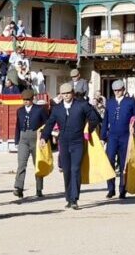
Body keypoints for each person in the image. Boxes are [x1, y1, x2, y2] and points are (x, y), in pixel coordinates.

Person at [42, 81, 100, 210]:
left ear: (73, 93)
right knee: (67, 171)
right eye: (64, 93)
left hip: (77, 142)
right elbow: (50, 124)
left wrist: (88, 129)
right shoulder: (57, 109)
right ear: (61, 95)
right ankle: (68, 198)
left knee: (75, 169)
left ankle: (74, 199)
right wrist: (43, 137)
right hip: (64, 142)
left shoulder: (82, 105)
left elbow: (95, 118)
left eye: (68, 93)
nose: (66, 95)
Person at [102, 80, 135, 200]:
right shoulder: (110, 103)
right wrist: (103, 137)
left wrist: (134, 128)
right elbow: (105, 121)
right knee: (109, 160)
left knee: (123, 163)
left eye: (119, 90)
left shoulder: (130, 102)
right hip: (112, 136)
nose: (117, 92)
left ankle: (122, 189)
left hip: (125, 136)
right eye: (115, 91)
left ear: (123, 90)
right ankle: (110, 189)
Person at [12, 88, 48, 199]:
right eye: (24, 100)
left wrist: (44, 138)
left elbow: (47, 124)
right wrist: (17, 140)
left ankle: (39, 189)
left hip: (36, 137)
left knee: (37, 164)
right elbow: (18, 126)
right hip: (23, 138)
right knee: (21, 164)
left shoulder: (40, 109)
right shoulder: (20, 111)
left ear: (32, 99)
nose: (26, 102)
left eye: (28, 100)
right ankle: (19, 188)